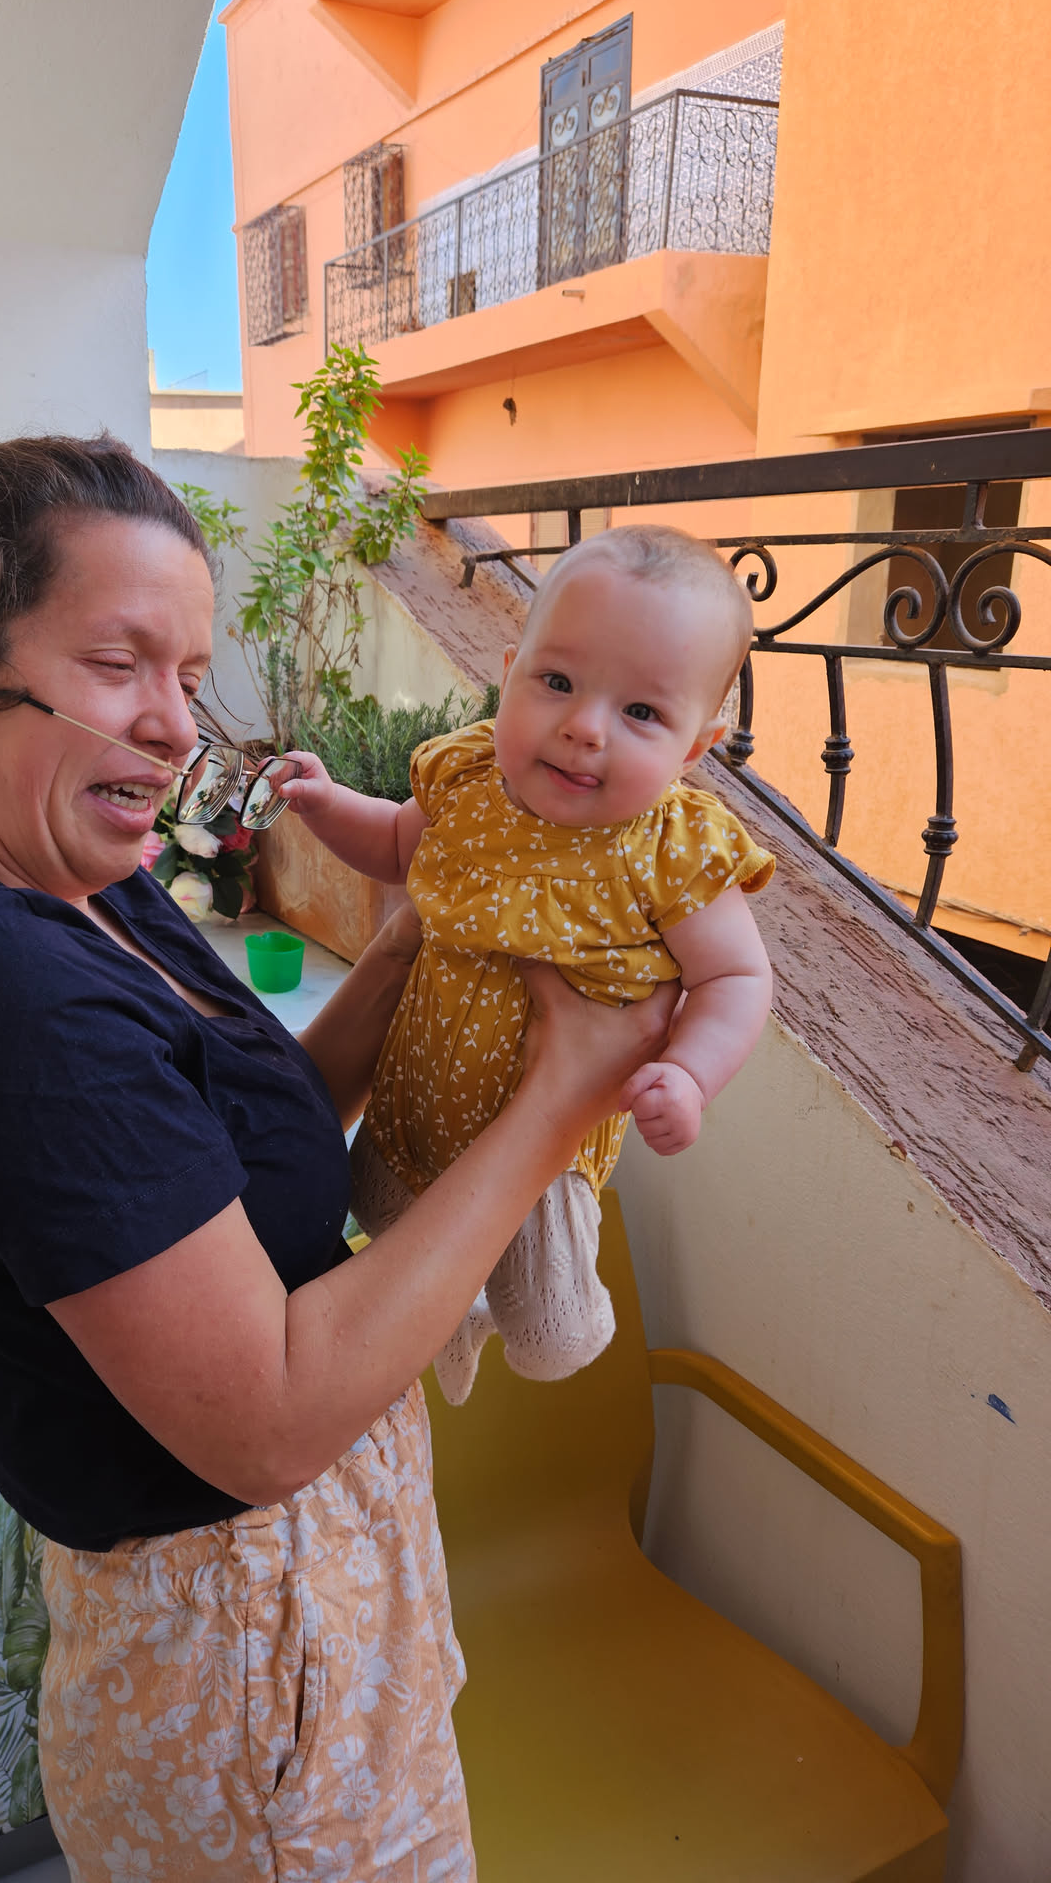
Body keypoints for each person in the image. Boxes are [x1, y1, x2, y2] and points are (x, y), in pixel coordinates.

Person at [0, 436, 675, 1883]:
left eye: (189, 675)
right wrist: (556, 1105)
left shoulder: (91, 885)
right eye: (118, 666)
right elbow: (264, 1423)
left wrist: (423, 931)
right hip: (247, 1655)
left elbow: (255, 1144)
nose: (173, 727)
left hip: (326, 1602)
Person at [274, 526, 775, 1405]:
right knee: (381, 1222)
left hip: (542, 1147)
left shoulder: (674, 850)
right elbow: (393, 843)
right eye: (558, 683)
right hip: (419, 1089)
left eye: (641, 713)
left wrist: (691, 1075)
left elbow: (735, 979)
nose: (584, 728)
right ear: (510, 674)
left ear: (695, 748)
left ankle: (482, 1313)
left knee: (551, 1336)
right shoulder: (470, 780)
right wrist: (322, 804)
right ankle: (453, 1315)